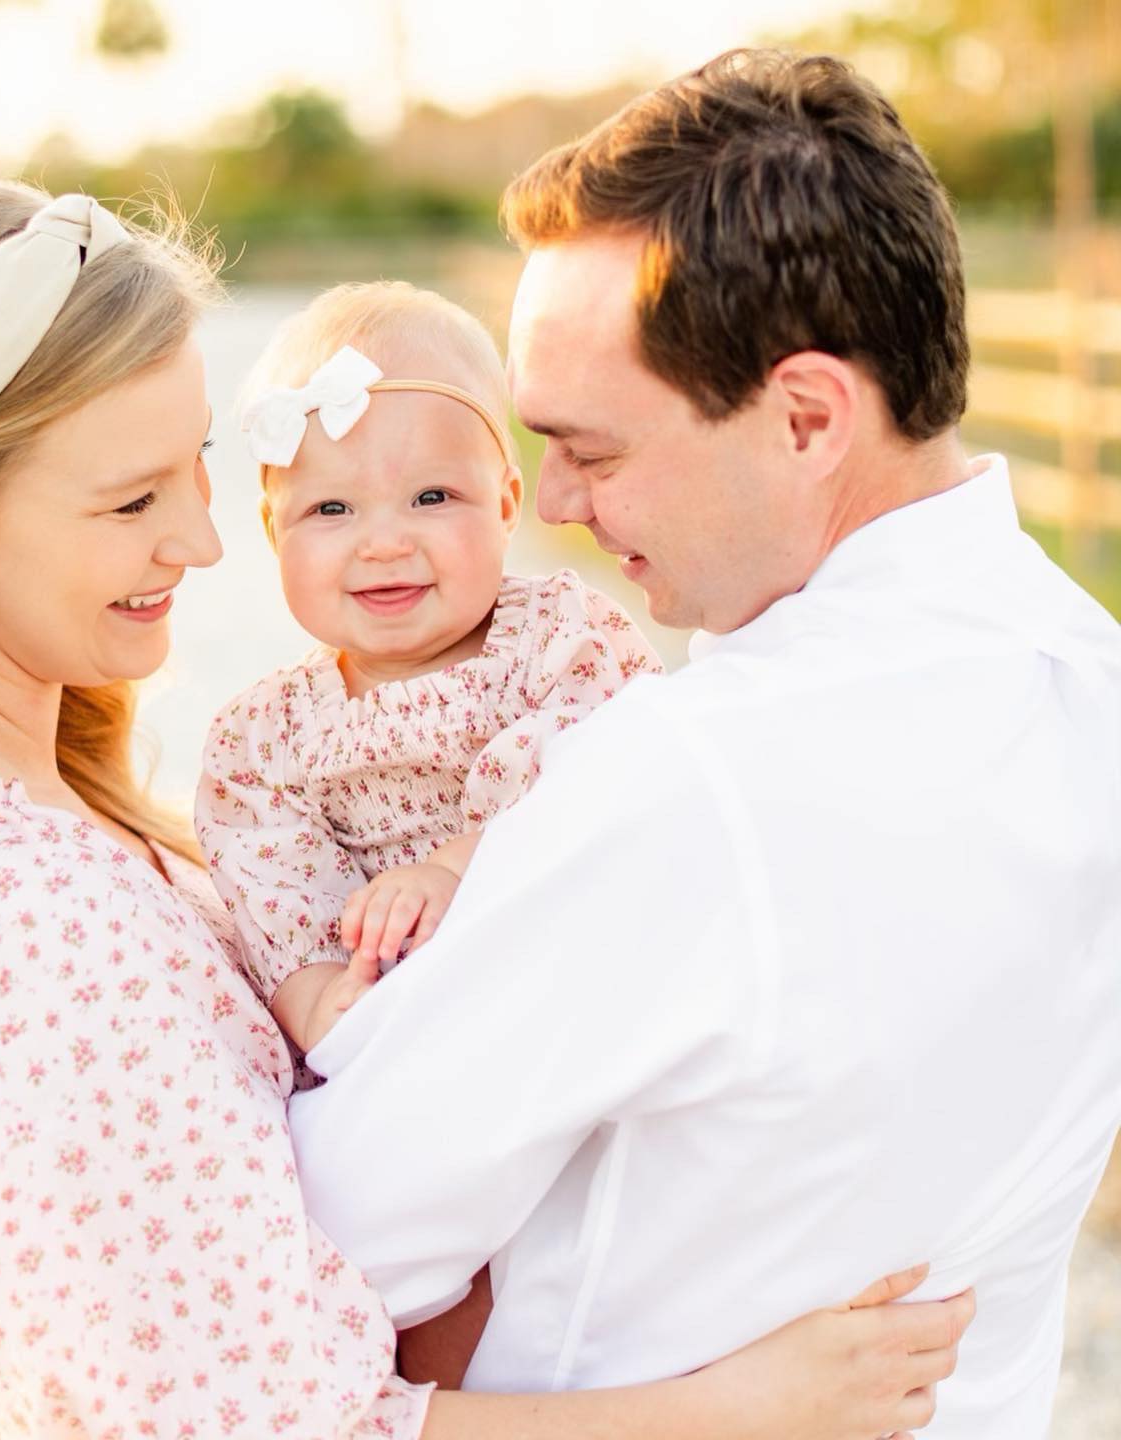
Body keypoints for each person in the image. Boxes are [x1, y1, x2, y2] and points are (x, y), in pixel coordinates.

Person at [0, 179, 971, 1439]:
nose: (201, 540)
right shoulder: (10, 925)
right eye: (131, 500)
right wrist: (738, 1415)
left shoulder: (29, 827)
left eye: (193, 467)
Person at [287, 48, 1121, 1439]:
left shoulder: (697, 777)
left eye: (594, 452)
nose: (547, 502)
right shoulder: (1095, 681)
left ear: (807, 418)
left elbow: (326, 1238)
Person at [198, 281, 660, 1053]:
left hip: (576, 990)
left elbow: (614, 795)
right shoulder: (263, 744)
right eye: (332, 511)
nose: (383, 543)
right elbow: (279, 904)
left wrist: (458, 870)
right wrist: (324, 1007)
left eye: (432, 496)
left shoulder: (562, 641)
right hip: (402, 1036)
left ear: (507, 505)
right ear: (275, 533)